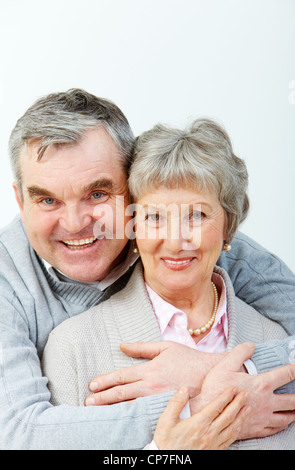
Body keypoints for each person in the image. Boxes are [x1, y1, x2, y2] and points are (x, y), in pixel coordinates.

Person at [1, 89, 295, 450]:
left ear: (133, 190)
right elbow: (17, 433)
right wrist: (197, 405)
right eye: (47, 199)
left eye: (97, 194)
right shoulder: (14, 287)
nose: (75, 223)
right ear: (20, 201)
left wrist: (214, 366)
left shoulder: (211, 249)